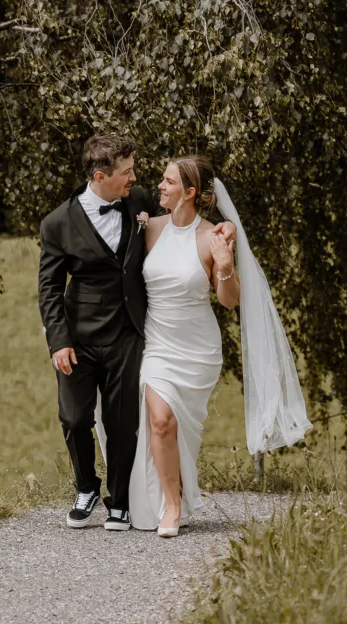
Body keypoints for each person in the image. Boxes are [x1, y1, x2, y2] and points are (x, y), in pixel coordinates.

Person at [37, 136, 234, 531]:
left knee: (124, 420)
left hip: (133, 334)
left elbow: (191, 222)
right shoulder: (57, 223)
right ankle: (87, 487)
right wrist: (58, 340)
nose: (137, 178)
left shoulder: (138, 201)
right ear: (100, 176)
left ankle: (123, 501)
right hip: (85, 337)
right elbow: (50, 287)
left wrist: (226, 234)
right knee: (77, 418)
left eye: (135, 171)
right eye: (127, 172)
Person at [126, 155, 314, 536]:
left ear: (190, 192)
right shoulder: (147, 228)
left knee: (184, 431)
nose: (159, 186)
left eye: (168, 181)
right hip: (157, 345)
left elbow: (229, 300)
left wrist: (225, 264)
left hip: (198, 350)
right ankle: (173, 506)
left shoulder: (213, 236)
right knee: (161, 421)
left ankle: (177, 490)